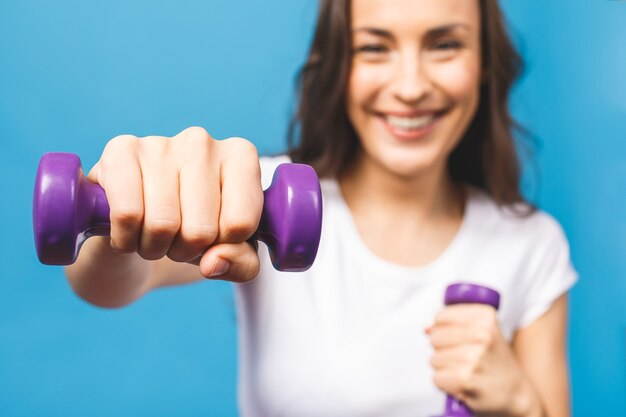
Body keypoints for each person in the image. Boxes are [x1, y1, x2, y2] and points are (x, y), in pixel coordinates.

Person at [65, 0, 577, 416]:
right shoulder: (258, 197)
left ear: (485, 63)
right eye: (374, 48)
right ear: (338, 67)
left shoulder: (532, 244)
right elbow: (108, 285)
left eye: (444, 44)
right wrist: (122, 220)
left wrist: (520, 404)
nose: (411, 86)